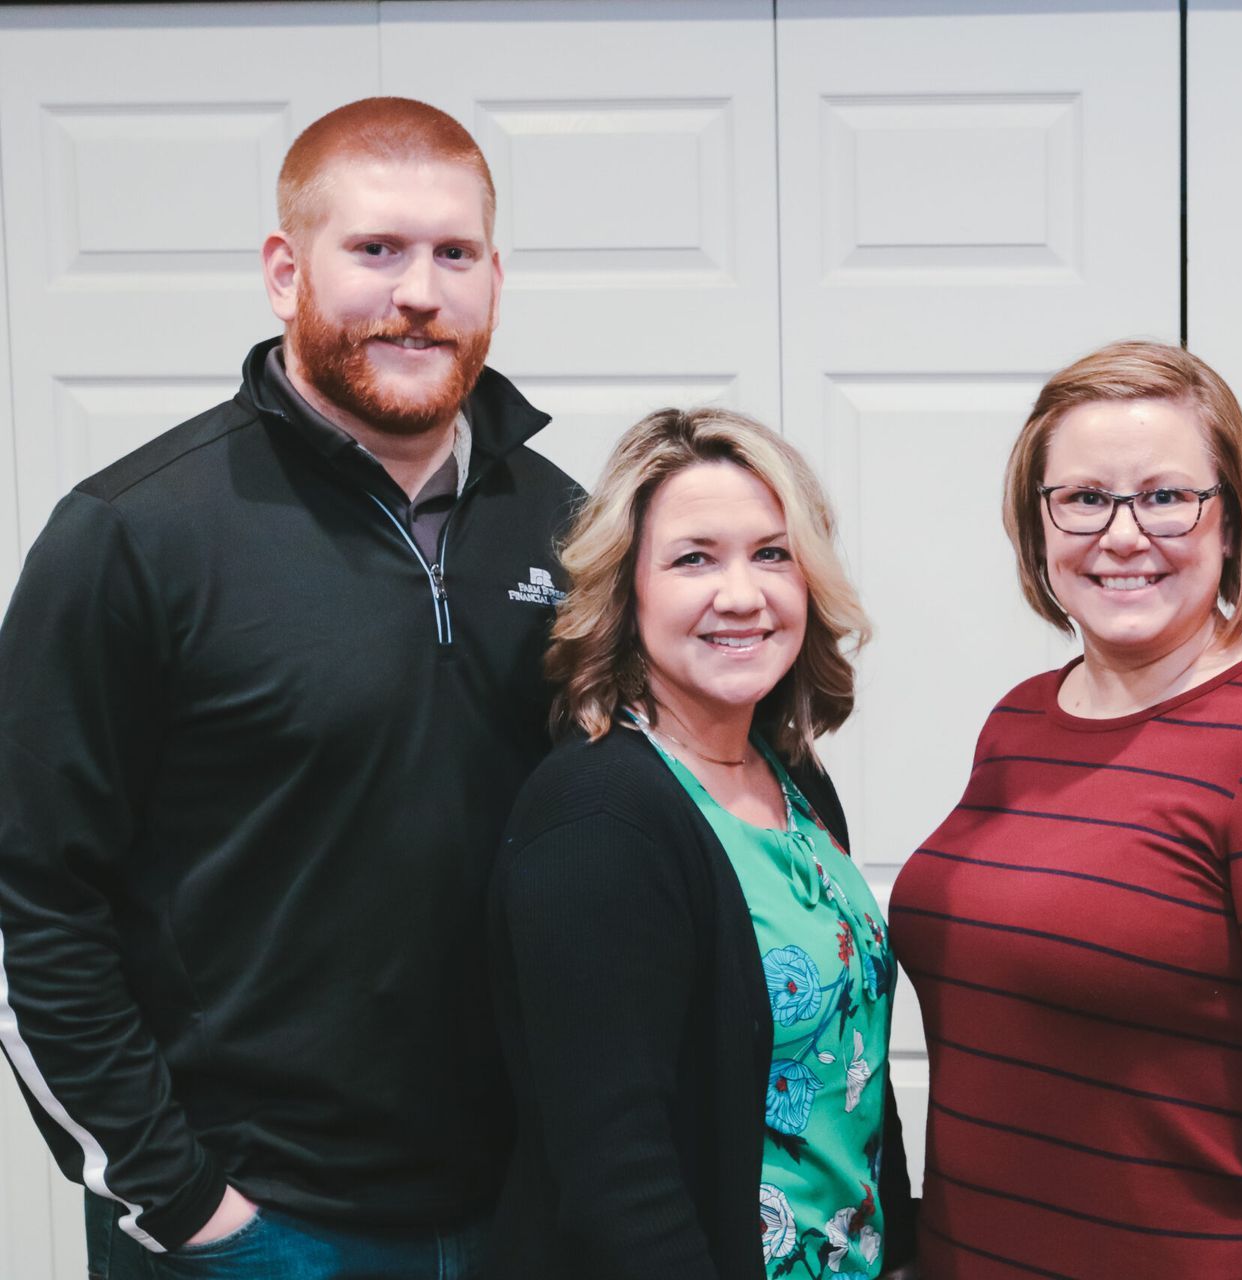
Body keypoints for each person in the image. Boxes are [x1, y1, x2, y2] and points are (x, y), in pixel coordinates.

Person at [0, 98, 577, 1277]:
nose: (418, 290)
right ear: (284, 269)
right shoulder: (133, 534)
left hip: (520, 1208)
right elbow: (34, 898)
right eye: (375, 249)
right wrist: (181, 1199)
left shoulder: (568, 523)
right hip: (254, 1224)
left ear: (495, 278)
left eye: (452, 253)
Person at [889, 340, 1242, 1278]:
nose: (1124, 534)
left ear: (1230, 522)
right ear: (1040, 523)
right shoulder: (1021, 720)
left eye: (1167, 496)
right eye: (1085, 497)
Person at [486, 406, 915, 1280]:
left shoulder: (792, 777)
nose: (742, 594)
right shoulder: (598, 817)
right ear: (626, 591)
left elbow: (853, 1071)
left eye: (772, 553)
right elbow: (616, 1178)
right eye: (693, 559)